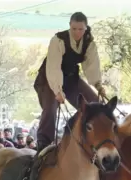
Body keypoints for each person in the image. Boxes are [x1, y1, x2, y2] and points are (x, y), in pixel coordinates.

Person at [34, 11, 106, 152]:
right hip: (49, 78)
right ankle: (43, 145)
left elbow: (92, 66)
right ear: (69, 26)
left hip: (71, 78)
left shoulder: (89, 43)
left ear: (85, 28)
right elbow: (53, 67)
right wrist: (58, 90)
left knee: (95, 104)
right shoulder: (58, 40)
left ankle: (87, 135)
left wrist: (98, 85)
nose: (77, 32)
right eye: (74, 29)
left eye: (80, 29)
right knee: (51, 109)